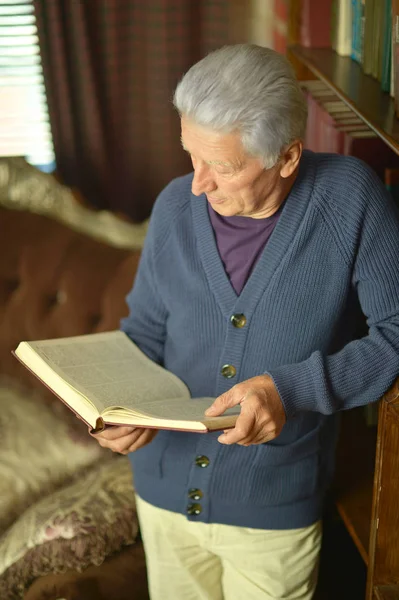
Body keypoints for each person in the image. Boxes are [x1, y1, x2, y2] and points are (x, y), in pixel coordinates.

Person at [91, 44, 399, 600]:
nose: (197, 184)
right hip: (161, 492)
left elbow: (395, 337)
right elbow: (144, 335)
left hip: (272, 507)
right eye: (192, 155)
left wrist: (290, 390)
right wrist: (112, 409)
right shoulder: (173, 209)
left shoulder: (351, 200)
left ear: (287, 157)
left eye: (222, 167)